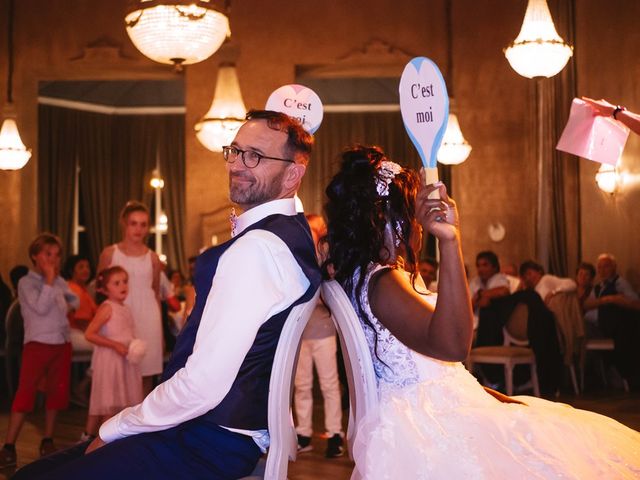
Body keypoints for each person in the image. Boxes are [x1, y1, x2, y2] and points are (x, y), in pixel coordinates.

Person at [14, 110, 322, 479]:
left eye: (255, 155)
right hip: (215, 428)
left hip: (208, 438)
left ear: (292, 174)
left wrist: (115, 427)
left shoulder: (256, 249)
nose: (237, 164)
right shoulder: (295, 235)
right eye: (235, 151)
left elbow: (202, 386)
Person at [323, 145, 640, 479]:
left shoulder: (368, 276)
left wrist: (489, 397)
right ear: (395, 220)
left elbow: (432, 366)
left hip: (439, 405)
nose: (420, 226)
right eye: (415, 215)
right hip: (430, 426)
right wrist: (450, 241)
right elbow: (453, 346)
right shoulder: (383, 282)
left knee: (561, 429)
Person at [0, 233, 79, 469]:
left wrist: (61, 291)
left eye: (56, 255)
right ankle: (9, 446)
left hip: (61, 344)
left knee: (56, 393)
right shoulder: (26, 283)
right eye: (47, 254)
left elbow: (74, 302)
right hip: (37, 345)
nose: (53, 259)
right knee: (25, 394)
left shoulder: (59, 282)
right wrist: (49, 282)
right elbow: (41, 308)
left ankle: (48, 439)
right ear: (35, 256)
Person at [98, 201, 162, 396]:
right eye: (133, 223)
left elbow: (156, 291)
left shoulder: (153, 258)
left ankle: (141, 422)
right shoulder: (110, 253)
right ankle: (118, 421)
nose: (138, 229)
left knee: (146, 370)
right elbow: (100, 289)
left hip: (148, 316)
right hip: (118, 317)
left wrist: (161, 330)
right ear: (124, 224)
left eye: (143, 224)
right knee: (118, 369)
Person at [294, 214, 344, 458]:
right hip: (300, 332)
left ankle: (335, 434)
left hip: (323, 329)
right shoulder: (296, 259)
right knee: (301, 386)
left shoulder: (326, 260)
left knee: (329, 384)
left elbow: (332, 295)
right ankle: (303, 433)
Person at [81, 266, 143, 442]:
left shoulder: (126, 308)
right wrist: (115, 345)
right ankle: (94, 440)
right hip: (110, 360)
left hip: (124, 361)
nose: (123, 285)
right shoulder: (107, 307)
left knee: (121, 403)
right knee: (109, 402)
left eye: (125, 281)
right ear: (104, 288)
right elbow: (89, 334)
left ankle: (111, 441)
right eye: (116, 283)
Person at [584, 253, 640, 388]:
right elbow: (586, 305)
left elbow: (635, 304)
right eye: (600, 267)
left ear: (614, 267)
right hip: (595, 326)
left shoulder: (620, 283)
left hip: (610, 328)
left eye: (606, 267)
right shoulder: (597, 287)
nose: (602, 270)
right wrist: (607, 299)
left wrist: (616, 300)